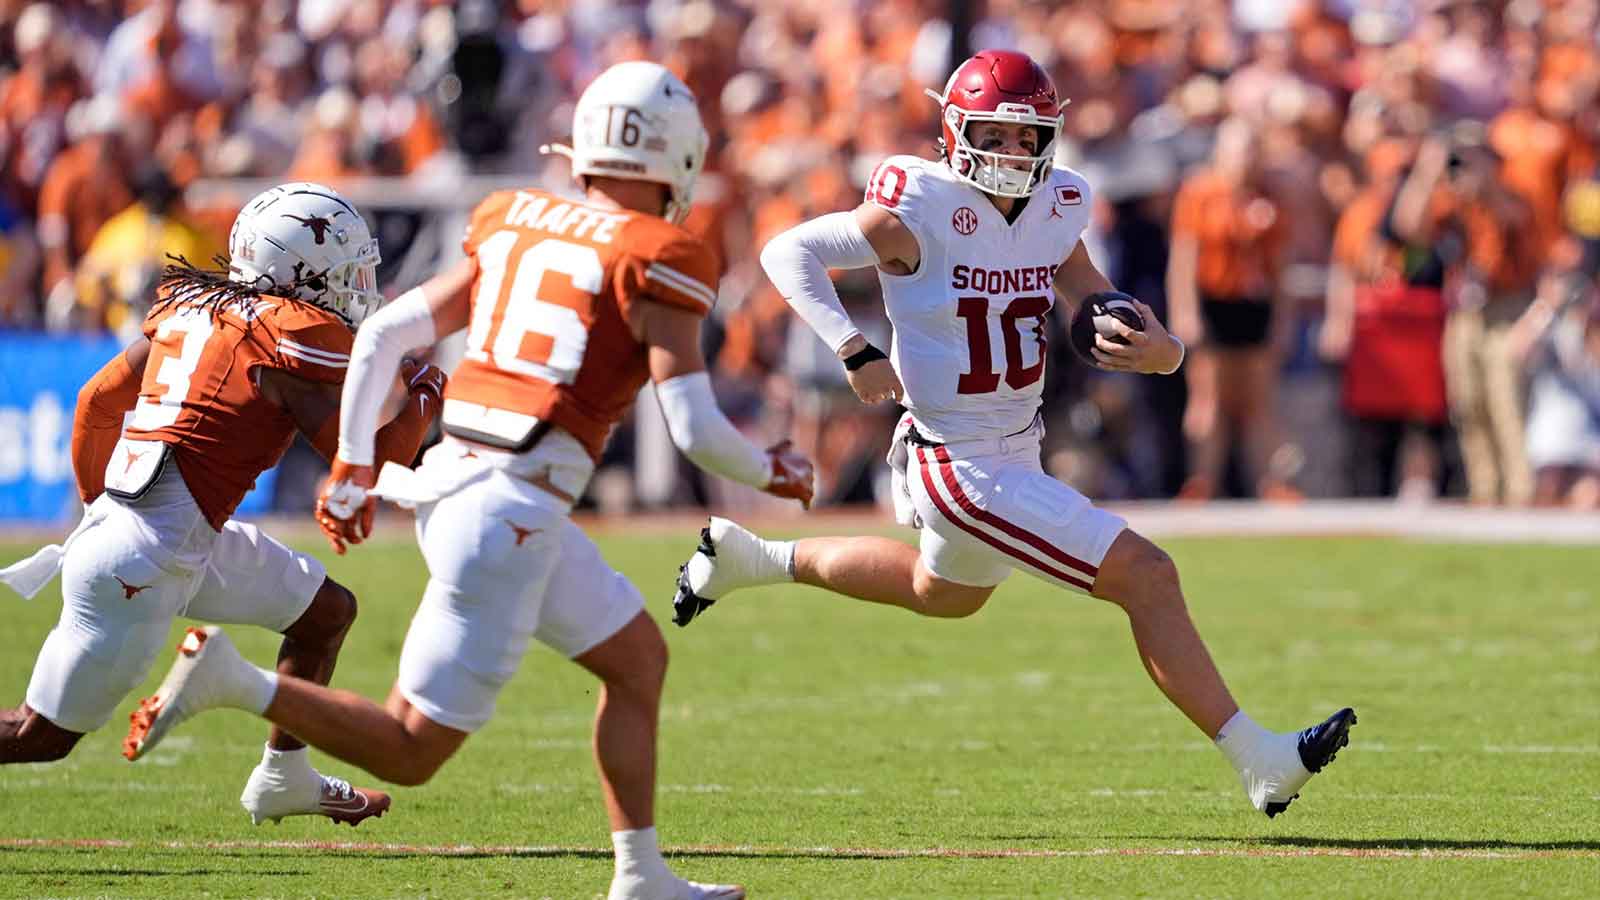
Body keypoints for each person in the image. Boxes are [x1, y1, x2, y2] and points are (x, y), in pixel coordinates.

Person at [125, 62, 812, 900]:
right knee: (413, 749)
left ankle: (640, 876)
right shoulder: (662, 253)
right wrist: (772, 467)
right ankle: (236, 681)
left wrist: (352, 464)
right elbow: (695, 429)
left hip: (472, 487)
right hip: (508, 510)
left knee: (636, 660)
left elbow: (383, 334)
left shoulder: (516, 218)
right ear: (678, 159)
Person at [674, 49, 1355, 818]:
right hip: (958, 462)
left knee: (943, 596)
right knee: (1148, 574)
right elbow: (786, 250)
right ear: (957, 132)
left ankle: (751, 557)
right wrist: (853, 347)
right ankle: (1259, 759)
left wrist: (1163, 353)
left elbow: (1096, 295)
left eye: (1027, 138)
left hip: (1014, 446)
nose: (1011, 153)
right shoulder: (919, 201)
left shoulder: (1056, 205)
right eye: (994, 136)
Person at [0, 182, 441, 828]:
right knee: (39, 736)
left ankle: (283, 777)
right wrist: (428, 393)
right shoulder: (287, 341)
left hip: (167, 540)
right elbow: (373, 469)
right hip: (145, 560)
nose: (357, 286)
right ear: (300, 272)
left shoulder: (195, 310)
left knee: (325, 614)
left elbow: (96, 403)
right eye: (345, 272)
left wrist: (100, 508)